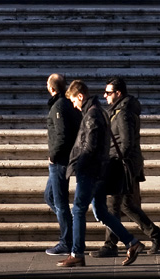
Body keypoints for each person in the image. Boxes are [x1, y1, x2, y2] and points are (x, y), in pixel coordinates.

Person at [58, 79, 145, 268]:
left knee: (78, 209)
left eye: (74, 100)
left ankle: (77, 253)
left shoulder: (92, 115)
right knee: (101, 211)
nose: (73, 105)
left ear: (80, 96)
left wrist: (78, 165)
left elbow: (90, 146)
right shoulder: (97, 112)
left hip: (90, 171)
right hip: (99, 169)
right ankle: (132, 242)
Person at [92, 76, 160, 258]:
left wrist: (112, 162)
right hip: (126, 163)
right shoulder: (119, 110)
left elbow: (126, 143)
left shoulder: (124, 113)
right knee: (126, 204)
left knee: (113, 205)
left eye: (108, 93)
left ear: (118, 93)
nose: (105, 96)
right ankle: (156, 234)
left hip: (122, 165)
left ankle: (110, 245)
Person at [44, 74, 82, 256]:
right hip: (60, 159)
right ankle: (71, 227)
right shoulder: (62, 104)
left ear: (51, 88)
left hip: (59, 161)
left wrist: (53, 155)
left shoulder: (59, 106)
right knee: (50, 196)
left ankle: (66, 241)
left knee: (59, 202)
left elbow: (62, 135)